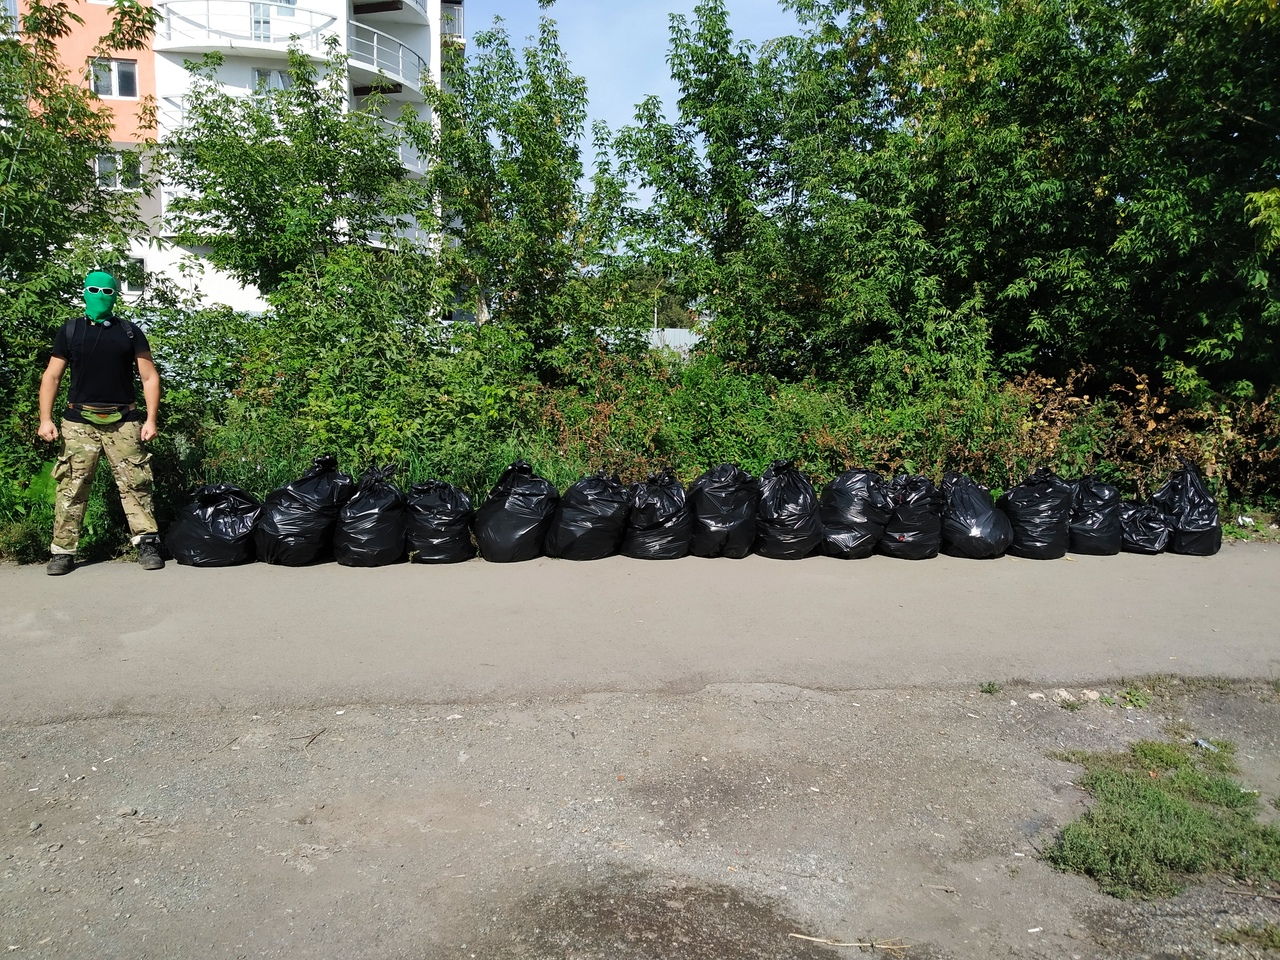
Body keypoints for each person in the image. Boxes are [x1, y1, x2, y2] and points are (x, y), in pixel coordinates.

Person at [37, 271, 165, 575]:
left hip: (124, 420)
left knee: (136, 484)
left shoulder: (129, 332)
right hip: (79, 421)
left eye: (105, 290)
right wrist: (45, 419)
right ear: (84, 292)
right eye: (93, 289)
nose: (99, 295)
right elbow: (52, 376)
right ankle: (63, 552)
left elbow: (149, 377)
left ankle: (146, 543)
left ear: (115, 294)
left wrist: (150, 419)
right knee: (72, 486)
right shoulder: (70, 331)